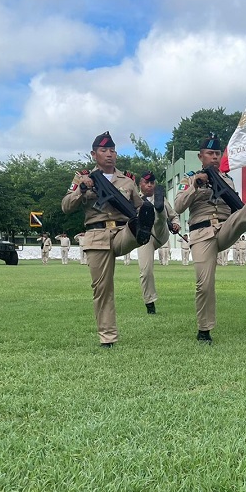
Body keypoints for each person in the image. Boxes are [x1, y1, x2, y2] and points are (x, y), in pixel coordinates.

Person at [61, 131, 162, 347]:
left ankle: (140, 231)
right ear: (94, 154)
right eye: (104, 150)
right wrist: (82, 189)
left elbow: (137, 205)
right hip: (96, 235)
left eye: (113, 151)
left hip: (122, 232)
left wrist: (144, 212)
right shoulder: (83, 177)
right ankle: (108, 337)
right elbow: (66, 206)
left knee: (137, 223)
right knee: (102, 288)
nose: (109, 154)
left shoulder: (127, 180)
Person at [173, 133, 246, 342]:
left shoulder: (227, 179)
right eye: (210, 153)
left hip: (226, 227)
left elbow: (233, 207)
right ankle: (204, 329)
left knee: (241, 213)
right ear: (201, 156)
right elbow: (178, 206)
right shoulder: (190, 178)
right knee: (204, 283)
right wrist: (195, 187)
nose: (215, 157)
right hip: (201, 234)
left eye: (217, 153)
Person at [135, 171, 178, 314]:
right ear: (140, 184)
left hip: (160, 233)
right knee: (145, 271)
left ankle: (159, 210)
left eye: (152, 183)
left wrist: (176, 224)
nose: (149, 185)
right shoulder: (134, 199)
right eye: (146, 183)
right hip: (144, 237)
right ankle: (149, 302)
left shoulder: (162, 198)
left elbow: (174, 216)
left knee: (160, 219)